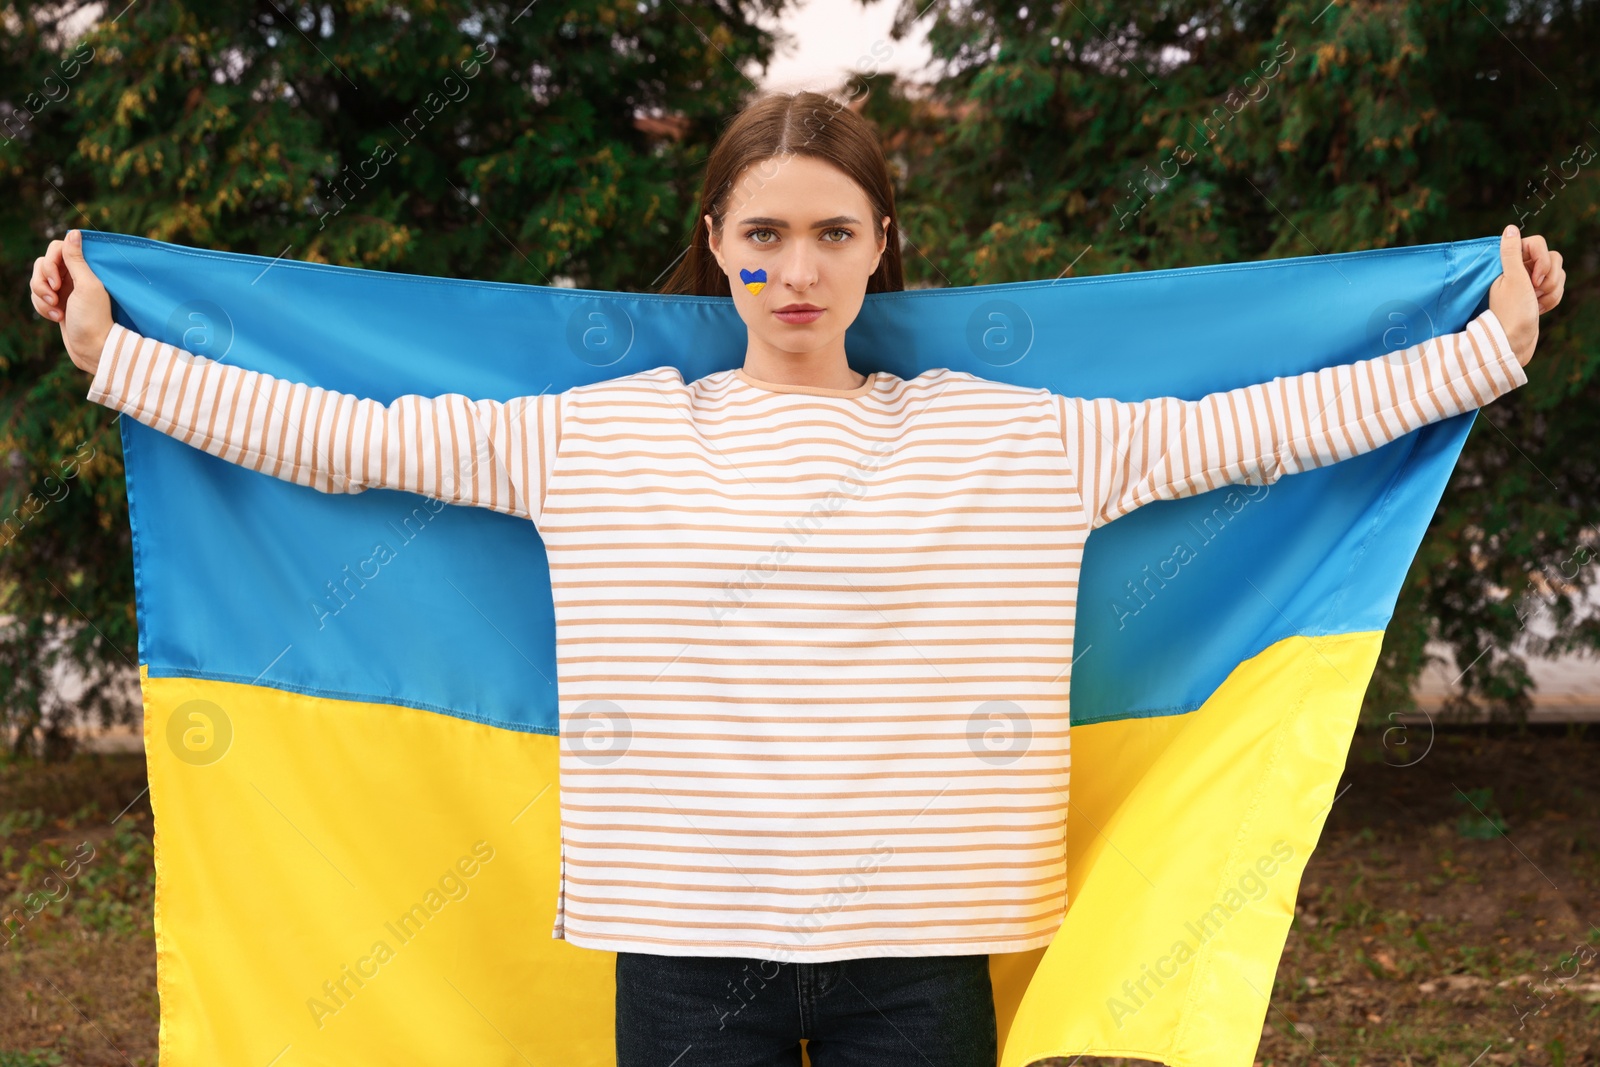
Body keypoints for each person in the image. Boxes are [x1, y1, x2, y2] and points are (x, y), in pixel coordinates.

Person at [29, 90, 1566, 1067]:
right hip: (686, 954)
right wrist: (120, 360)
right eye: (765, 232)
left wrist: (1482, 350)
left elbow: (1260, 430)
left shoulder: (1011, 438)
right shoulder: (598, 438)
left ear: (879, 244)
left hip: (921, 954)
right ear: (718, 242)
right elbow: (344, 442)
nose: (799, 264)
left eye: (833, 231)